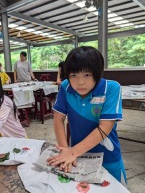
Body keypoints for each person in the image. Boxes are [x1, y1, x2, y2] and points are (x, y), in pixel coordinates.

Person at [47, 46, 126, 184]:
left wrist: (72, 152)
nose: (80, 82)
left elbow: (105, 128)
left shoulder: (111, 88)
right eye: (74, 75)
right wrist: (66, 150)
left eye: (87, 75)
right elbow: (58, 119)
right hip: (78, 157)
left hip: (107, 157)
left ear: (97, 73)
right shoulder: (66, 87)